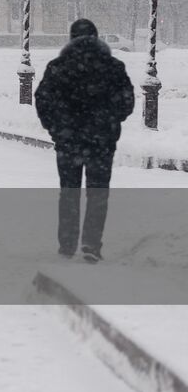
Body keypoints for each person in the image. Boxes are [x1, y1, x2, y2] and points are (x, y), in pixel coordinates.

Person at [33, 18, 134, 263]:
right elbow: (127, 102)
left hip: (69, 142)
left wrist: (56, 129)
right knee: (98, 194)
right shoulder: (113, 66)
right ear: (97, 38)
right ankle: (91, 244)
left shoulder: (58, 67)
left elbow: (43, 100)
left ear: (71, 39)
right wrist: (109, 122)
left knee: (69, 192)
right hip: (101, 141)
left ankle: (67, 245)